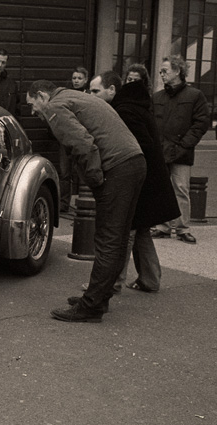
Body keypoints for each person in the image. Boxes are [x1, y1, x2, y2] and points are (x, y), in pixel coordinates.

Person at [26, 80, 146, 322]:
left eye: (32, 104)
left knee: (108, 240)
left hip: (117, 167)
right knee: (118, 238)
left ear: (42, 96)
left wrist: (96, 180)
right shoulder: (74, 97)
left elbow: (82, 145)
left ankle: (91, 307)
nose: (32, 111)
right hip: (133, 162)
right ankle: (98, 298)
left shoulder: (55, 107)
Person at [88, 70, 179, 293]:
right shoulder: (133, 106)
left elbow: (139, 147)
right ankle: (150, 279)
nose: (91, 96)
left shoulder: (125, 111)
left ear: (112, 90)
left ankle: (112, 283)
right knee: (140, 230)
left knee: (125, 231)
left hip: (139, 181)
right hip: (148, 179)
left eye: (95, 91)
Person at [150, 55, 210, 244]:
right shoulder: (157, 97)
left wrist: (184, 145)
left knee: (181, 189)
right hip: (161, 150)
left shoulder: (194, 95)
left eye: (165, 71)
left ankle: (182, 227)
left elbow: (201, 123)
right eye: (161, 71)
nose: (161, 74)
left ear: (177, 71)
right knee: (162, 189)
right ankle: (163, 226)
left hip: (181, 151)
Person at [58, 66, 90, 211]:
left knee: (83, 171)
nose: (76, 81)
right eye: (74, 78)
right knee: (65, 172)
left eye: (79, 78)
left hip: (82, 138)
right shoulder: (66, 95)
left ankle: (84, 202)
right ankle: (64, 203)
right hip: (66, 138)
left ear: (85, 80)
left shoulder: (89, 96)